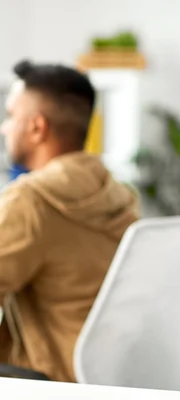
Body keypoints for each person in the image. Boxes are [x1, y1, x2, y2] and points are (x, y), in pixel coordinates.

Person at [0, 60, 139, 381]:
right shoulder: (117, 194)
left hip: (49, 378)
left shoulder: (31, 201)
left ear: (37, 127)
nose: (5, 127)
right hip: (115, 377)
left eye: (11, 116)